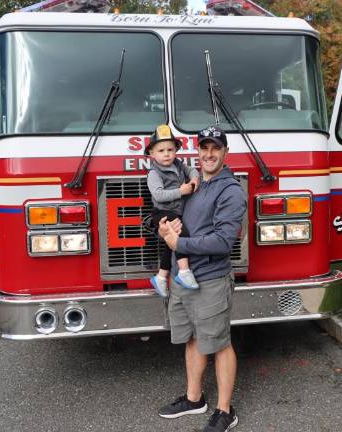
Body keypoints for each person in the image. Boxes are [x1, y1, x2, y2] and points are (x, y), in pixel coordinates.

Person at [157, 126, 247, 432]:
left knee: (219, 343)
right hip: (184, 280)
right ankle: (195, 399)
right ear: (197, 151)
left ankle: (225, 411)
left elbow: (224, 242)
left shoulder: (230, 191)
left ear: (225, 153)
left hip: (210, 279)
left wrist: (178, 245)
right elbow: (178, 220)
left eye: (215, 149)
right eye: (204, 148)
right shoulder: (193, 184)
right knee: (193, 337)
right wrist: (165, 230)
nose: (209, 154)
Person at [146, 124, 200, 296]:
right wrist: (181, 191)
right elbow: (158, 195)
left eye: (170, 149)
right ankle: (184, 272)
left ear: (176, 150)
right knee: (181, 233)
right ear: (152, 154)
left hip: (175, 212)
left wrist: (194, 178)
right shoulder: (154, 174)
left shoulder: (178, 164)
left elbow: (191, 169)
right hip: (161, 213)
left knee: (170, 246)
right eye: (161, 150)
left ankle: (161, 277)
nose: (167, 154)